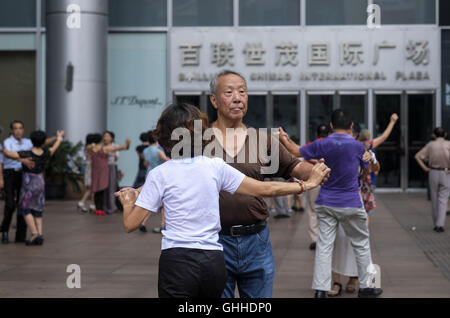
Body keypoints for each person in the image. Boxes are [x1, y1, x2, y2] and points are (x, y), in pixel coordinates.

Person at [115, 102, 330, 298]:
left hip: (177, 262)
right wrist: (306, 185)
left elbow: (130, 224)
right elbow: (266, 188)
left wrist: (127, 202)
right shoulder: (215, 167)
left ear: (163, 136)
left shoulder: (160, 174)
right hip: (213, 261)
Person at [207, 70, 329, 298]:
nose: (237, 98)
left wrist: (314, 170)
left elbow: (293, 166)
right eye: (229, 92)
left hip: (257, 241)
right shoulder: (199, 140)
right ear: (214, 100)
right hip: (213, 241)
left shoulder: (262, 140)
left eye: (242, 92)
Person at [282, 109, 382, 298]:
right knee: (361, 242)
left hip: (326, 201)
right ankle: (367, 287)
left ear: (330, 125)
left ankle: (320, 289)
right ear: (352, 126)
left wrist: (284, 138)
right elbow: (369, 170)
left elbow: (295, 150)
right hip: (351, 202)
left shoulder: (322, 143)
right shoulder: (358, 147)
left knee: (324, 246)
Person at [3, 130, 64, 245]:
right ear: (43, 142)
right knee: (38, 208)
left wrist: (3, 150)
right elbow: (54, 147)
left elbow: (10, 154)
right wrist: (59, 138)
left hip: (28, 182)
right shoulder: (46, 153)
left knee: (25, 208)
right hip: (40, 181)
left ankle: (34, 234)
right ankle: (40, 234)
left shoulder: (26, 153)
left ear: (31, 141)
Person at [278, 123, 330, 251]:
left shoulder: (314, 145)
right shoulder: (332, 144)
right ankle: (328, 239)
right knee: (330, 211)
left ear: (316, 134)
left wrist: (285, 139)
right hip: (331, 181)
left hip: (315, 180)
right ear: (329, 134)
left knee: (313, 210)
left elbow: (295, 150)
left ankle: (315, 239)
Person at [1, 120, 37, 244]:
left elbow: (34, 152)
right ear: (12, 130)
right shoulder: (7, 142)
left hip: (24, 174)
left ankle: (20, 235)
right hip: (10, 174)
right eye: (15, 128)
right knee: (10, 204)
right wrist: (24, 158)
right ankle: (4, 231)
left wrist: (57, 138)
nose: (18, 131)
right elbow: (11, 155)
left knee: (23, 205)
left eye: (20, 128)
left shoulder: (28, 142)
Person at [415, 127, 450, 233]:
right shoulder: (449, 144)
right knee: (443, 198)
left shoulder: (430, 144)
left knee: (434, 198)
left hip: (433, 172)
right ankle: (440, 224)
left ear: (434, 135)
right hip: (446, 172)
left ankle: (436, 223)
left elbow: (417, 156)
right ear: (445, 134)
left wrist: (425, 167)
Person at [87, 133, 130, 216]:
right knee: (103, 189)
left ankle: (98, 208)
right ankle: (102, 209)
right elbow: (121, 148)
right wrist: (127, 143)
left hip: (95, 171)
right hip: (103, 172)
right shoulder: (104, 148)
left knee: (96, 190)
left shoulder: (90, 148)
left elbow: (88, 150)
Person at [139, 130, 168, 233]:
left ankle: (143, 222)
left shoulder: (146, 151)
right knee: (163, 203)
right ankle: (162, 225)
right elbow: (166, 160)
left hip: (149, 175)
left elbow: (145, 162)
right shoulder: (158, 150)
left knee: (151, 201)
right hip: (160, 177)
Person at [103, 130, 126, 215]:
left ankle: (112, 207)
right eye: (105, 136)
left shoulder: (115, 146)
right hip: (103, 168)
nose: (106, 138)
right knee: (104, 188)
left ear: (112, 137)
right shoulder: (102, 146)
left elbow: (116, 158)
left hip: (111, 167)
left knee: (111, 187)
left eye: (107, 136)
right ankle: (105, 206)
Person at [78, 134, 95, 213]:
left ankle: (88, 204)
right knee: (92, 188)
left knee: (91, 188)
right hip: (91, 168)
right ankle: (86, 203)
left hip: (89, 168)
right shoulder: (90, 147)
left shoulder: (87, 147)